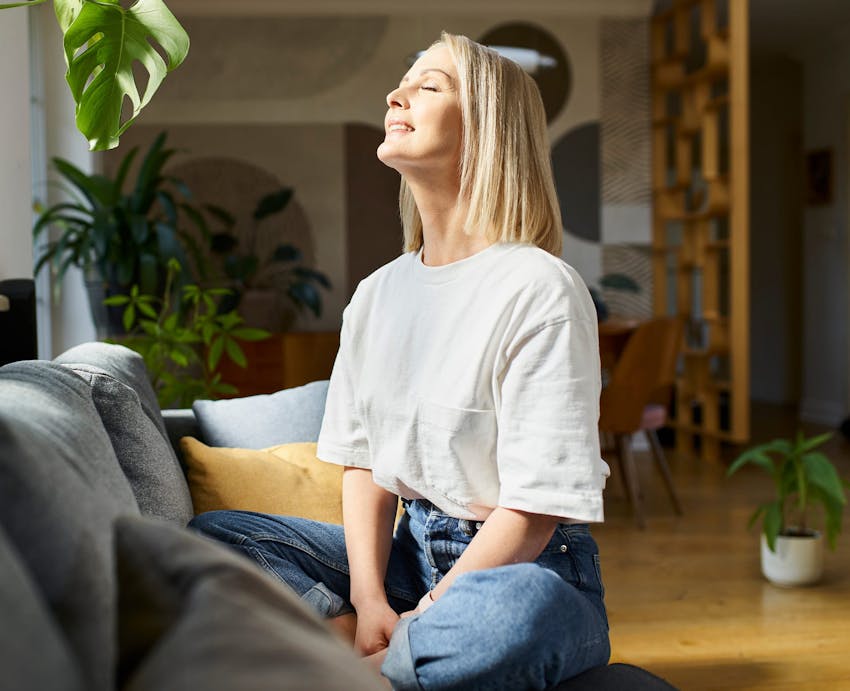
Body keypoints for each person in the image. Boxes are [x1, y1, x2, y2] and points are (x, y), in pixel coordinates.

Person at [190, 31, 611, 690]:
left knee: (527, 611)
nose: (395, 95)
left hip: (526, 565)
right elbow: (365, 464)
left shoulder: (540, 287)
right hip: (406, 556)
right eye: (402, 82)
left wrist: (433, 611)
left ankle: (347, 667)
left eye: (428, 85)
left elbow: (532, 509)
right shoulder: (377, 294)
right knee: (213, 534)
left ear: (485, 129)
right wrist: (367, 602)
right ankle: (372, 654)